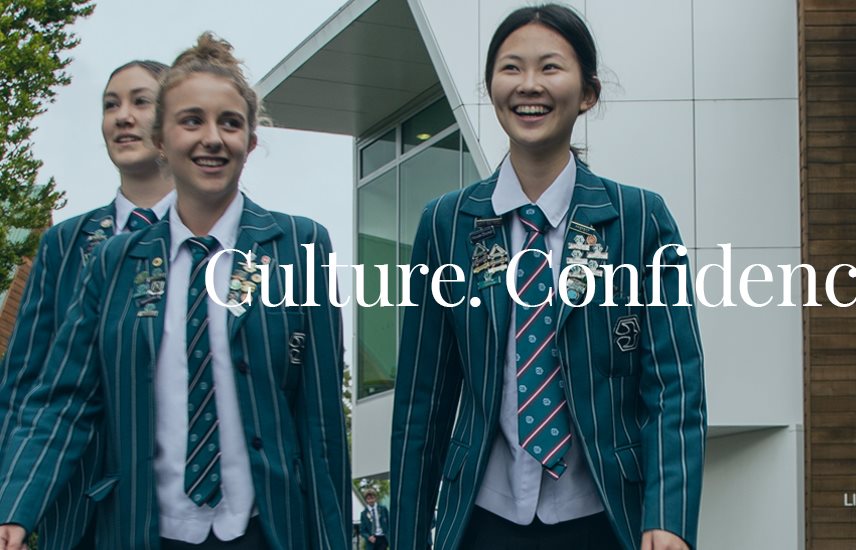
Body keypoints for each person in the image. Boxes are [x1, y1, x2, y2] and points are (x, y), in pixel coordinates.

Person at [0, 33, 349, 549]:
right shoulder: (114, 261)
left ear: (251, 141)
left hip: (264, 530)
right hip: (144, 529)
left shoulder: (300, 245)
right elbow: (64, 400)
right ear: (161, 140)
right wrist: (16, 507)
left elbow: (320, 425)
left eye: (230, 123)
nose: (212, 138)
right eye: (192, 121)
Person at [387, 5, 706, 550]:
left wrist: (669, 515)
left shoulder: (639, 219)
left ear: (588, 93)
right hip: (483, 521)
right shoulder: (446, 225)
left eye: (550, 67)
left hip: (608, 517)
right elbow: (423, 400)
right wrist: (408, 537)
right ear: (491, 87)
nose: (529, 85)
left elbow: (675, 386)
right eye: (511, 68)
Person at [0, 58, 175, 550]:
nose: (122, 116)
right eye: (110, 105)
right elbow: (23, 384)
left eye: (140, 101)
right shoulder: (64, 244)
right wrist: (12, 501)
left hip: (191, 506)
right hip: (80, 510)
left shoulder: (209, 241)